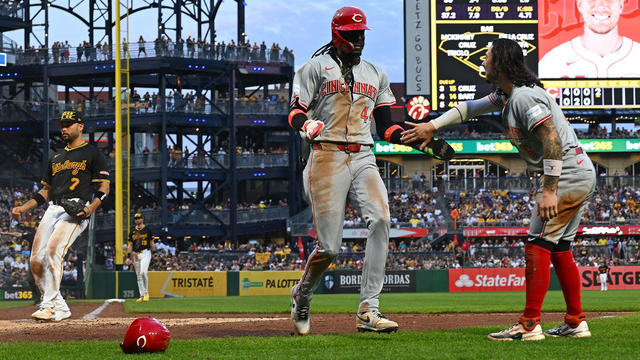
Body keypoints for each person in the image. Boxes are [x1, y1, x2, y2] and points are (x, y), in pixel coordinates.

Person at [401, 38, 595, 340]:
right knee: (559, 248)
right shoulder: (507, 95)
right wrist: (432, 126)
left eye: (488, 56)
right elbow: (468, 109)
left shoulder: (523, 98)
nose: (483, 60)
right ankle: (575, 321)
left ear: (500, 64)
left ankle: (530, 324)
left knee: (537, 244)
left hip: (567, 173)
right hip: (578, 172)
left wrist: (549, 190)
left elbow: (552, 140)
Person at [287, 6, 442, 336]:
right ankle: (302, 295)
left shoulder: (376, 74)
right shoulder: (314, 68)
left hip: (363, 156)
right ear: (337, 34)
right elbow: (294, 112)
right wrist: (307, 124)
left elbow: (387, 127)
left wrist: (420, 143)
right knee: (329, 248)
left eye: (361, 35)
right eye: (352, 35)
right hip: (325, 154)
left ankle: (368, 311)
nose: (358, 40)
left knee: (382, 219)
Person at [11, 110, 110, 321]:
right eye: (62, 124)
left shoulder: (92, 153)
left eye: (68, 124)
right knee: (36, 260)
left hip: (77, 208)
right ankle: (60, 306)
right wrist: (24, 208)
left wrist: (90, 208)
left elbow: (104, 187)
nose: (63, 128)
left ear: (80, 126)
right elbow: (45, 191)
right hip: (53, 208)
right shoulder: (56, 156)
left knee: (53, 250)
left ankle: (47, 306)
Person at [539, 0, 640, 78]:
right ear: (580, 5)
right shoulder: (552, 61)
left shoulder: (637, 56)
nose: (601, 6)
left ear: (621, 5)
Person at [127, 212, 155, 302]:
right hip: (135, 254)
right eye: (136, 218)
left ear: (142, 219)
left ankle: (146, 292)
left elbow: (151, 243)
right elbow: (130, 245)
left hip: (145, 252)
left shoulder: (147, 230)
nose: (137, 220)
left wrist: (154, 252)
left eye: (139, 218)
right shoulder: (132, 231)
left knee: (143, 273)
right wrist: (128, 256)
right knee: (138, 276)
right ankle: (141, 295)